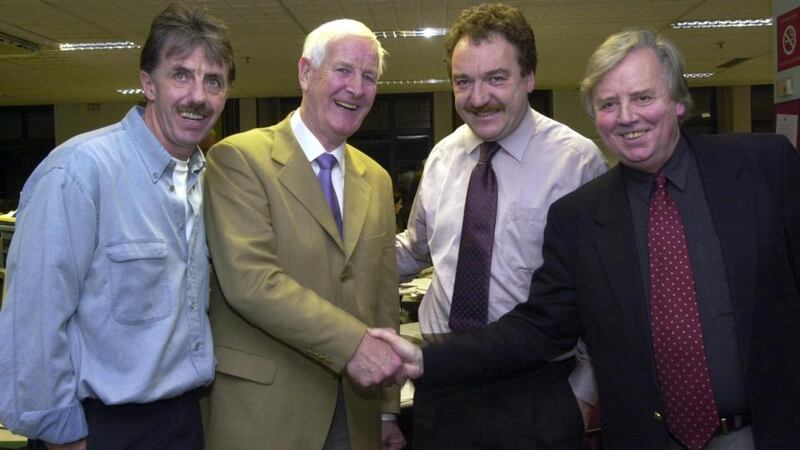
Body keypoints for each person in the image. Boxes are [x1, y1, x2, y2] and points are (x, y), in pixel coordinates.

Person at [373, 27, 800, 449]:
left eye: (643, 97)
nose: (628, 116)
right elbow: (544, 321)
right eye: (609, 104)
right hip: (638, 433)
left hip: (763, 428)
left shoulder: (763, 167)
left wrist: (579, 392)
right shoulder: (583, 211)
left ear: (678, 102)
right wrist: (427, 358)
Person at [0, 4, 234, 449]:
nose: (198, 96)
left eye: (214, 80)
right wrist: (60, 434)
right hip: (98, 428)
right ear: (148, 83)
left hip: (183, 420)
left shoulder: (208, 182)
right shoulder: (79, 171)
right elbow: (33, 319)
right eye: (180, 74)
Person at [394, 3, 607, 448]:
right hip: (445, 382)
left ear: (528, 78)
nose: (477, 97)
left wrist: (583, 391)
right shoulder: (442, 157)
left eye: (496, 78)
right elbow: (415, 250)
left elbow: (601, 291)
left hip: (537, 387)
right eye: (463, 81)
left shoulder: (576, 161)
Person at [202, 19, 405, 450]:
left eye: (369, 77)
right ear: (304, 73)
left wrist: (387, 409)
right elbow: (252, 282)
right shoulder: (239, 160)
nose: (356, 87)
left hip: (357, 413)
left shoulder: (378, 178)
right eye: (344, 70)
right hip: (266, 412)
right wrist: (354, 346)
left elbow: (383, 300)